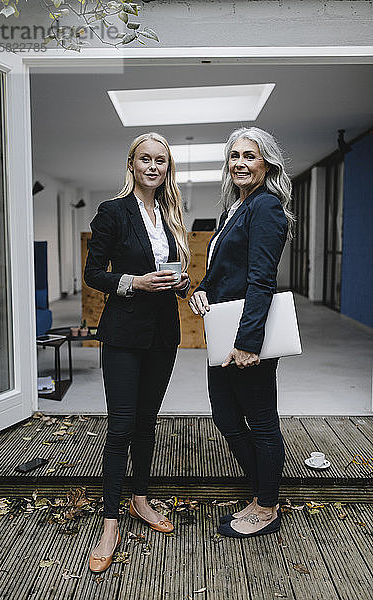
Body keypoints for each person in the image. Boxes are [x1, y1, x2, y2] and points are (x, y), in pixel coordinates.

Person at [84, 132, 190, 572]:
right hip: (124, 333)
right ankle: (110, 521)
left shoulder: (170, 212)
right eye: (145, 159)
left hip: (163, 334)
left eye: (160, 161)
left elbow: (175, 272)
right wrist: (133, 283)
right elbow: (93, 273)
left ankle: (140, 502)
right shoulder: (113, 211)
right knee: (121, 426)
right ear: (131, 164)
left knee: (147, 424)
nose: (153, 167)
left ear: (167, 168)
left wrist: (181, 283)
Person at [189, 127, 294, 539]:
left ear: (266, 162)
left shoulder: (265, 206)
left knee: (261, 421)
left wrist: (248, 344)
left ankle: (267, 504)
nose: (240, 163)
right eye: (234, 156)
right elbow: (221, 274)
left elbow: (261, 280)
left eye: (250, 156)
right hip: (222, 332)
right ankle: (262, 491)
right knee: (227, 417)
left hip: (246, 336)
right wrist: (200, 291)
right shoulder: (233, 210)